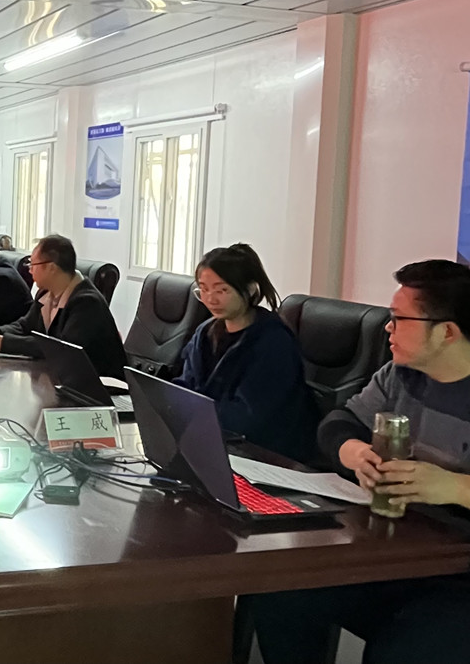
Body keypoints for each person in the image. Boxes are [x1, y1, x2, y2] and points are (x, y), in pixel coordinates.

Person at [249, 260, 470, 664]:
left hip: (457, 573)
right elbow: (340, 422)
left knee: (405, 651)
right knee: (280, 588)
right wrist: (353, 452)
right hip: (397, 547)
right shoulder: (401, 375)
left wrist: (453, 487)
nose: (387, 328)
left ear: (447, 332)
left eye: (399, 318)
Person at [175, 243, 314, 461]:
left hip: (260, 453)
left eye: (222, 290)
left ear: (250, 290)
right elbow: (187, 384)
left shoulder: (273, 341)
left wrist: (191, 414)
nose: (211, 299)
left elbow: (248, 417)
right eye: (204, 289)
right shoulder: (206, 332)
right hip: (212, 438)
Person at [0, 234, 126, 378]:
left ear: (52, 267)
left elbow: (60, 348)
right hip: (60, 377)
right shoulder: (45, 294)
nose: (30, 270)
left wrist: (4, 343)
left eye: (33, 264)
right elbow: (24, 326)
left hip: (101, 386)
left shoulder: (87, 303)